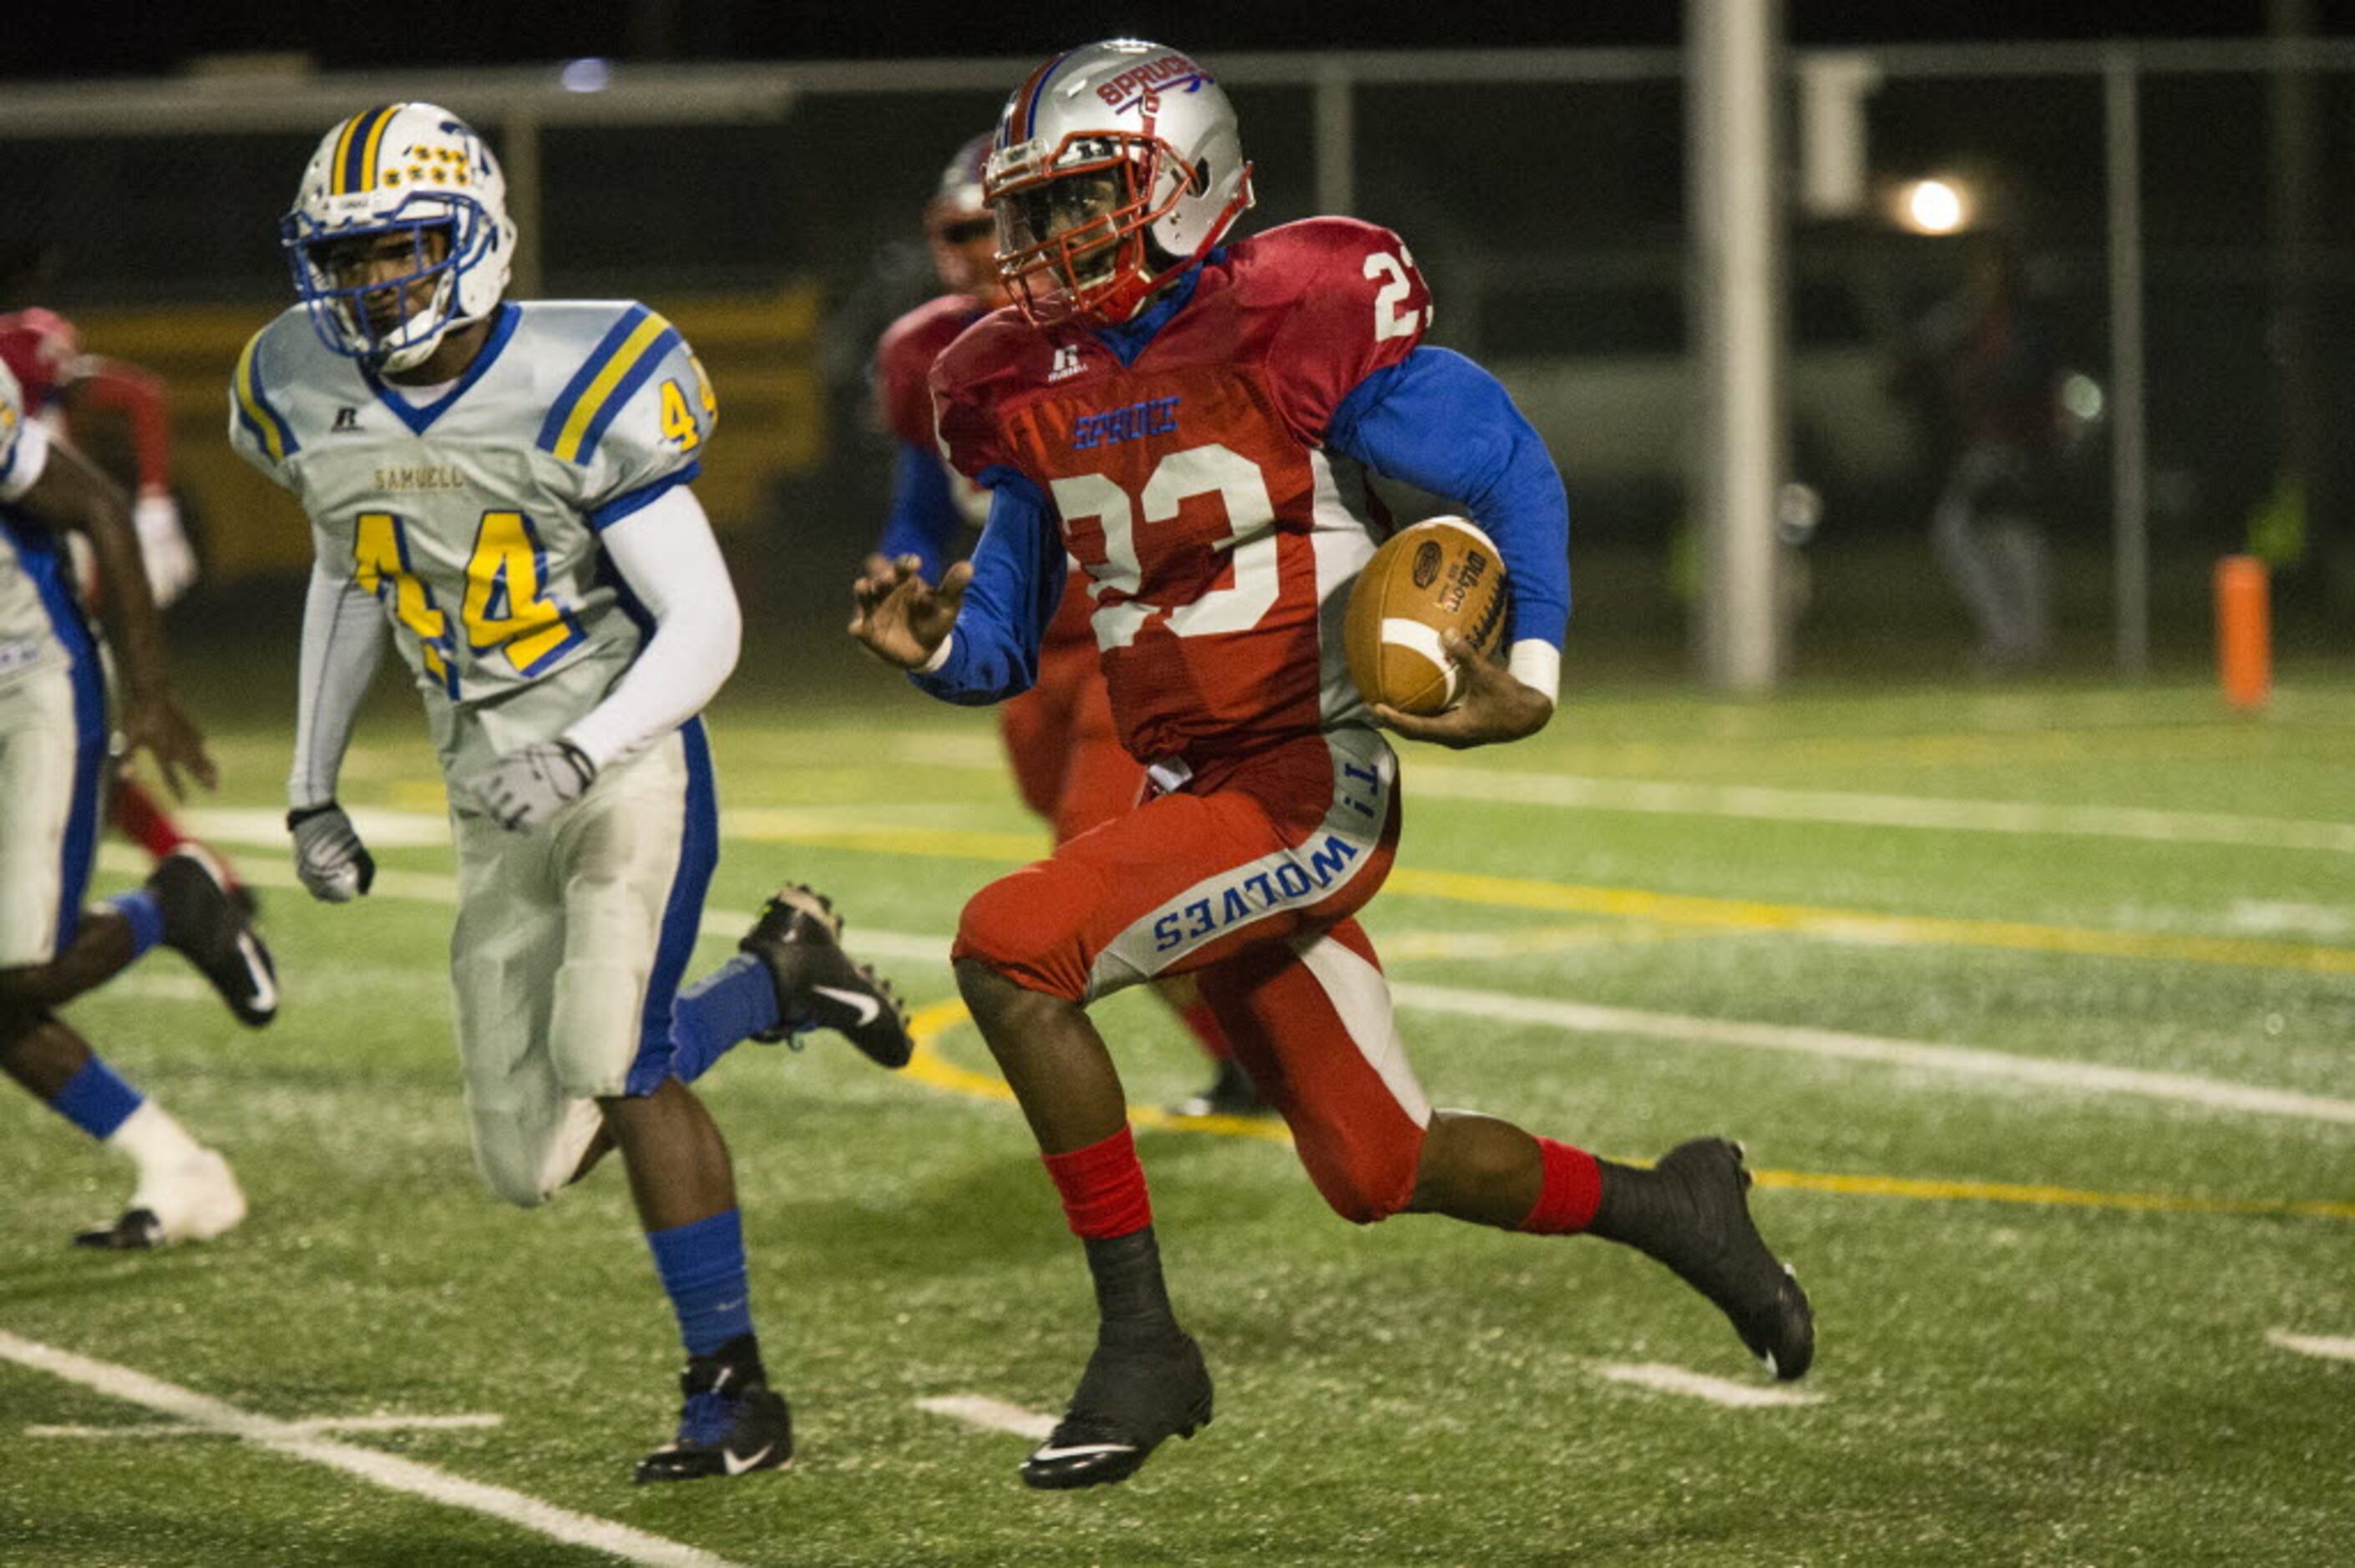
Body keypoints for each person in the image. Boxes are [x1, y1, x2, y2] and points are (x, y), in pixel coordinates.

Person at [849, 40, 1815, 1491]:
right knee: (1380, 1165)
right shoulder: (1008, 379)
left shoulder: (1292, 311)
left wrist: (1531, 673)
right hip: (1199, 792)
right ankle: (1674, 1202)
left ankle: (1142, 1341)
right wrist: (930, 646)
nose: (1040, 244)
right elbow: (1002, 646)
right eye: (1028, 210)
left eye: (1081, 200)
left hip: (1308, 781)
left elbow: (1505, 469)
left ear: (1189, 186)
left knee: (1010, 947)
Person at [232, 103, 912, 1484]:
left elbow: (705, 624)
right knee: (532, 1159)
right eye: (348, 261)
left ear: (476, 240)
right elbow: (350, 570)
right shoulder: (297, 380)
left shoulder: (581, 370)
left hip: (626, 759)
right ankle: (781, 976)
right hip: (492, 788)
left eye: (403, 250)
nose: (372, 286)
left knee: (615, 1055)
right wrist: (312, 785)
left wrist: (588, 749)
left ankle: (734, 1387)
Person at [869, 133, 1259, 1119]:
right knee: (1104, 862)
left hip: (1135, 639)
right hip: (1023, 656)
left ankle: (1278, 1035)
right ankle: (1247, 1055)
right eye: (952, 231)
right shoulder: (931, 352)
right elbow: (923, 492)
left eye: (983, 228)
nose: (968, 252)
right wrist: (899, 564)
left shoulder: (1105, 337)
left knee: (1100, 874)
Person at [4, 355, 278, 1251]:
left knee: (17, 973)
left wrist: (150, 690)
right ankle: (178, 1164)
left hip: (29, 686)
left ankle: (171, 907)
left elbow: (97, 506)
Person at [0, 304, 256, 905]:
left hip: (39, 570)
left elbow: (137, 393)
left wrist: (155, 501)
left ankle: (186, 885)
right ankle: (191, 869)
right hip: (40, 559)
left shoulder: (24, 343)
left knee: (70, 750)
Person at [1889, 231, 2062, 674]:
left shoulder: (2020, 320)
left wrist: (1969, 378)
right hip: (1991, 443)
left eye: (1988, 269)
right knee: (2007, 533)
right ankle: (2024, 638)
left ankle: (2012, 637)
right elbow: (1915, 371)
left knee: (1960, 530)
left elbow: (2021, 380)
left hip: (2012, 443)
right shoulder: (1972, 318)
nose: (1980, 278)